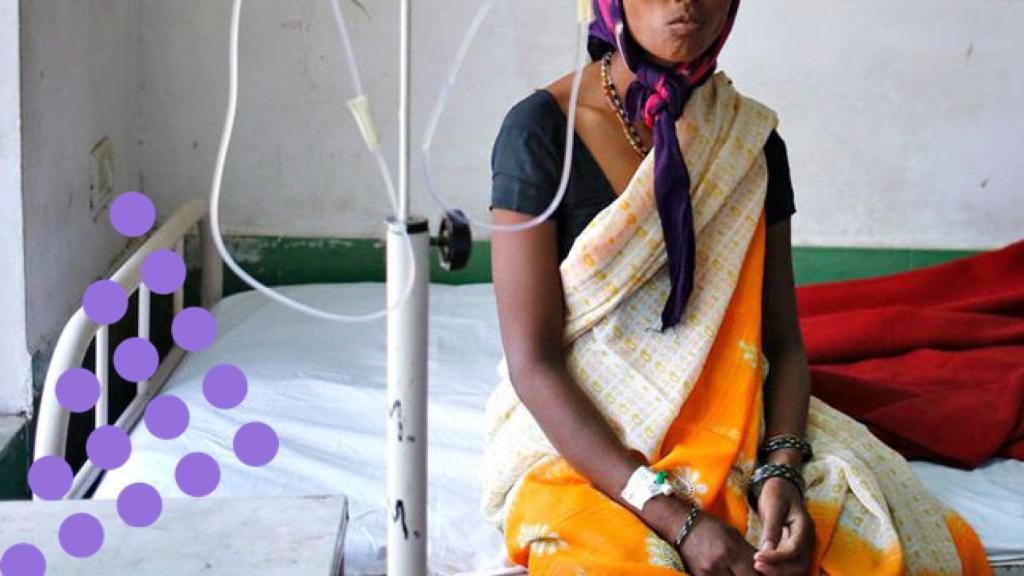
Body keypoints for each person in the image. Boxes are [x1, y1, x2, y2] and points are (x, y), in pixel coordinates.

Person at [480, 1, 993, 575]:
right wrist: (681, 521)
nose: (686, 3)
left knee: (879, 540)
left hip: (733, 420)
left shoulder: (748, 142)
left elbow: (783, 346)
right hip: (580, 439)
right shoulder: (542, 131)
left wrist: (781, 471)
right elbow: (534, 364)